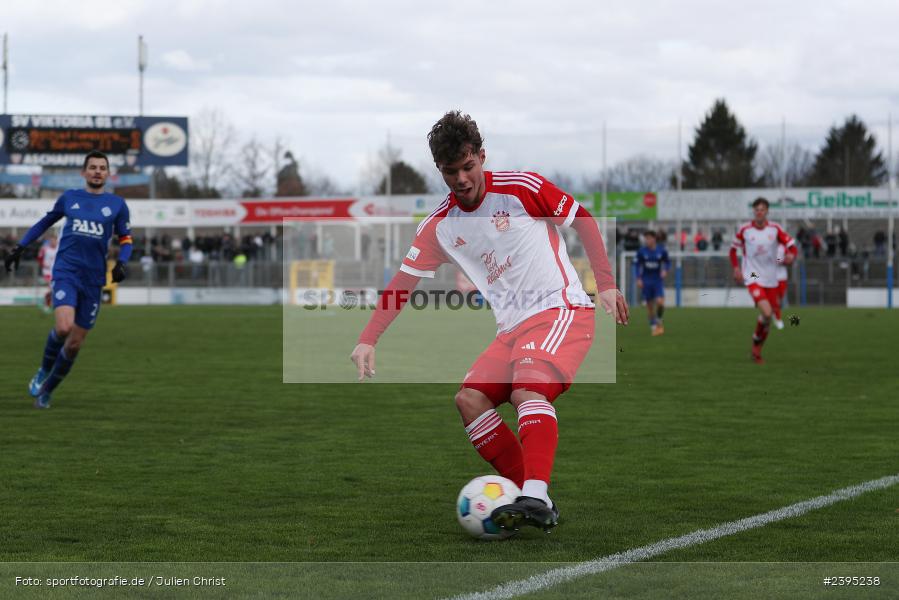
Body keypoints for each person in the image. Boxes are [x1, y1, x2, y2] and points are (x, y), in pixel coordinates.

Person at [349, 111, 628, 533]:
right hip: (511, 328)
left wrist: (604, 283)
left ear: (482, 156)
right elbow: (402, 284)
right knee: (469, 400)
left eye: (467, 166)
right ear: (439, 170)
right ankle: (523, 498)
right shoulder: (439, 227)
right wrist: (368, 339)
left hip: (561, 309)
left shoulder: (521, 189)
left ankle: (536, 493)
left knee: (527, 387)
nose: (461, 178)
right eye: (450, 171)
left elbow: (583, 220)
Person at [3, 151, 132, 408]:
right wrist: (21, 246)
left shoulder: (118, 205)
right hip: (66, 272)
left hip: (94, 279)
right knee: (63, 328)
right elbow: (44, 223)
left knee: (74, 345)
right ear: (84, 172)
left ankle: (48, 391)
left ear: (107, 174)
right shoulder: (69, 198)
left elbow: (125, 238)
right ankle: (42, 371)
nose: (97, 171)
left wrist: (122, 262)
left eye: (102, 168)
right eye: (92, 167)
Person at [729, 197, 796, 364]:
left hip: (771, 278)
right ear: (754, 211)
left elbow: (792, 245)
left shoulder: (775, 229)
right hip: (753, 275)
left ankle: (756, 349)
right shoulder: (745, 230)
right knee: (767, 312)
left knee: (766, 318)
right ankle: (755, 347)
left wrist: (791, 255)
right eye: (757, 209)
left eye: (762, 209)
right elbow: (732, 250)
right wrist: (736, 268)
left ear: (767, 212)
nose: (759, 212)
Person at [634, 230, 670, 336]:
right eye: (646, 238)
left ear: (654, 239)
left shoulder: (661, 251)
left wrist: (665, 270)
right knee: (649, 307)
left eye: (649, 238)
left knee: (660, 302)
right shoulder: (641, 251)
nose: (647, 240)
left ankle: (659, 320)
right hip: (646, 281)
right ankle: (654, 327)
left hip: (657, 281)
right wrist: (638, 278)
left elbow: (667, 262)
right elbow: (636, 265)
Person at [37, 233, 59, 314]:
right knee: (51, 288)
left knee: (54, 289)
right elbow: (39, 258)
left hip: (57, 271)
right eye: (51, 240)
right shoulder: (45, 249)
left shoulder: (59, 249)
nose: (53, 242)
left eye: (54, 240)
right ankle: (46, 305)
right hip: (47, 272)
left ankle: (49, 303)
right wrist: (43, 265)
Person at [773, 243, 789, 330]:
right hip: (771, 276)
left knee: (781, 297)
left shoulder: (783, 247)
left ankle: (774, 313)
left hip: (782, 276)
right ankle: (778, 319)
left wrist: (788, 260)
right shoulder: (768, 245)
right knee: (777, 300)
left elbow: (788, 257)